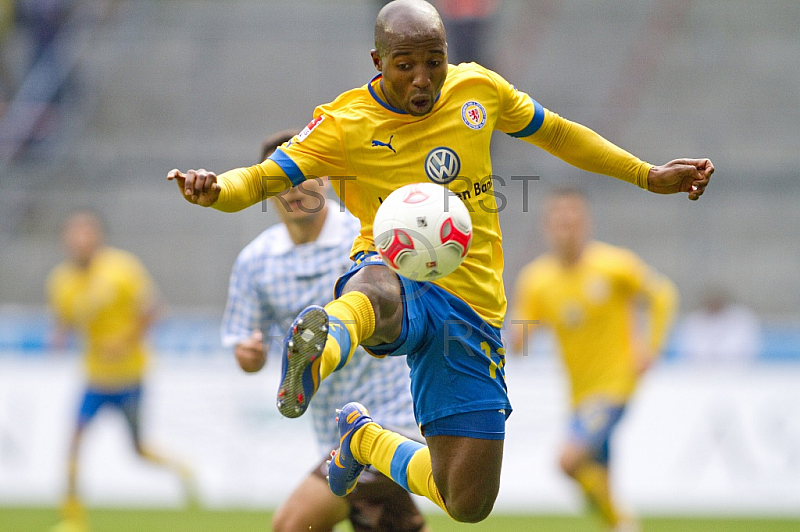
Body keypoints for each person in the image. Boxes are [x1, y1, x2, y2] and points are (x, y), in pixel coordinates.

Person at [167, 0, 713, 522]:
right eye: (405, 66)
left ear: (448, 52)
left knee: (467, 500)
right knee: (375, 292)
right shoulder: (345, 122)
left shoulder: (478, 89)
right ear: (378, 63)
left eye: (434, 61)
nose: (423, 79)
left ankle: (364, 439)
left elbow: (558, 133)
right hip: (390, 274)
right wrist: (217, 188)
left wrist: (646, 173)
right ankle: (320, 349)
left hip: (471, 308)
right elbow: (264, 178)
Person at [221, 131, 427, 532]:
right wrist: (251, 355)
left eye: (303, 174)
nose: (294, 188)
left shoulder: (366, 236)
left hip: (395, 415)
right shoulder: (256, 262)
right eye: (280, 179)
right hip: (334, 426)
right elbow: (244, 347)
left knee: (292, 524)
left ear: (327, 178)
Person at [510, 187, 679, 531]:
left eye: (573, 218)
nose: (566, 226)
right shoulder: (537, 280)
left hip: (616, 383)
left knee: (568, 461)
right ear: (547, 226)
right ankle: (616, 524)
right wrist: (515, 336)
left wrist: (652, 346)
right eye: (559, 219)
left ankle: (625, 523)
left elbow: (662, 296)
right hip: (578, 393)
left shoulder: (615, 266)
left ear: (585, 223)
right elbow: (521, 339)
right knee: (598, 476)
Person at [47, 210, 195, 532]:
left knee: (138, 450)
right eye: (73, 235)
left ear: (97, 237)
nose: (79, 241)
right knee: (73, 441)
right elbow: (64, 321)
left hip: (130, 376)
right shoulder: (61, 280)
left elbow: (155, 311)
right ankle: (72, 518)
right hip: (95, 378)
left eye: (85, 233)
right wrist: (58, 337)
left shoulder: (122, 269)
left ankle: (181, 469)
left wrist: (124, 341)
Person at [673, 287, 761, 365]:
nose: (714, 303)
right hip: (699, 372)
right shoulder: (692, 322)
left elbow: (747, 347)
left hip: (737, 371)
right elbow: (687, 350)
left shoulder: (741, 319)